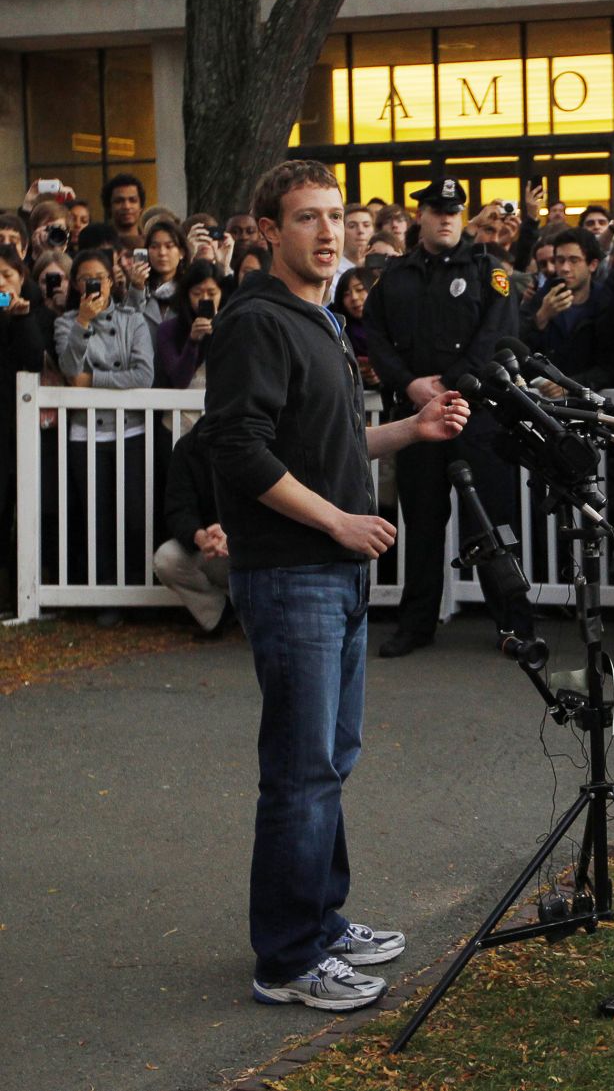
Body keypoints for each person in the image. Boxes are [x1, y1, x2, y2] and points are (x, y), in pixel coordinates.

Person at [202, 159, 471, 1012]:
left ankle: (320, 915)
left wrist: (409, 429)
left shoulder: (317, 315)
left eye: (336, 215)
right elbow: (241, 452)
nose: (327, 231)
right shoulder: (256, 321)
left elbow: (332, 443)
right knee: (301, 768)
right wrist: (337, 524)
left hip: (334, 572)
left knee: (330, 758)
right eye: (307, 217)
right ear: (269, 231)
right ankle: (288, 957)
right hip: (294, 575)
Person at [363, 175, 521, 659]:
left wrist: (451, 381)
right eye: (437, 210)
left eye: (454, 211)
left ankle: (514, 624)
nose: (446, 218)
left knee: (491, 523)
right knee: (424, 524)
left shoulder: (489, 272)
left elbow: (496, 335)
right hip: (417, 418)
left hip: (477, 417)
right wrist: (410, 384)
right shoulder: (395, 275)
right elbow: (375, 335)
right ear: (421, 217)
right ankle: (416, 625)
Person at [53, 249, 154, 601]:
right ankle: (105, 592)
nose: (93, 285)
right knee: (96, 516)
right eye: (85, 279)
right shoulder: (66, 322)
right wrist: (82, 323)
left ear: (112, 281)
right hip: (86, 432)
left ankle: (138, 589)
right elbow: (68, 369)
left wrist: (92, 379)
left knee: (135, 513)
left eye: (99, 277)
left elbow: (144, 374)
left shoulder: (132, 319)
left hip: (131, 429)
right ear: (76, 285)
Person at [521, 226, 614, 393]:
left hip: (593, 401)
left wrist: (570, 385)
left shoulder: (606, 302)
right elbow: (520, 350)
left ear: (592, 265)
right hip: (544, 399)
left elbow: (610, 364)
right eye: (560, 260)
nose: (565, 268)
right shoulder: (541, 298)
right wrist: (540, 319)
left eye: (574, 260)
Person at [0, 243, 50, 611]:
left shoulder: (33, 313)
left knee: (19, 511)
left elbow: (33, 362)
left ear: (21, 277)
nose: (1, 283)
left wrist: (20, 319)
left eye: (7, 275)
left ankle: (16, 596)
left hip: (18, 429)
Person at [153, 416, 233, 638]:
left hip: (248, 546)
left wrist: (232, 533)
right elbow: (178, 509)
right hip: (210, 548)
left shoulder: (259, 446)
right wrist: (199, 536)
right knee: (166, 559)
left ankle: (257, 620)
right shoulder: (188, 447)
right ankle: (216, 614)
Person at [155, 261, 223, 390]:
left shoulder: (230, 326)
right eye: (197, 294)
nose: (205, 299)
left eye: (212, 293)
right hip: (180, 407)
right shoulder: (168, 329)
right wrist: (192, 341)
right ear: (187, 295)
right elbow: (180, 380)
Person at [333, 266, 380, 390]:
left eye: (360, 290)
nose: (354, 297)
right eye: (346, 294)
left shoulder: (391, 326)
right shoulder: (336, 330)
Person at [102, 172, 144, 237]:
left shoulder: (151, 244)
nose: (126, 206)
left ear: (141, 207)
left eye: (132, 200)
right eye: (119, 201)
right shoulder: (98, 245)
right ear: (109, 207)